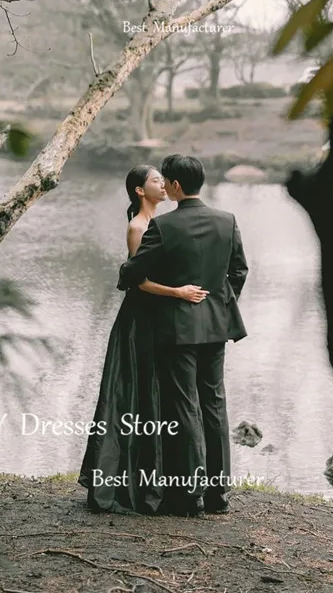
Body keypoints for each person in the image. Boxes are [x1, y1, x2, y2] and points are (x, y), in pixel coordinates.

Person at [118, 154, 248, 516]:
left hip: (177, 328)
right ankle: (219, 495)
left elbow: (134, 272)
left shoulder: (164, 227)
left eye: (167, 181)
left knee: (185, 406)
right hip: (217, 326)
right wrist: (219, 304)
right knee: (214, 405)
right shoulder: (227, 221)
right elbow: (239, 270)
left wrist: (125, 271)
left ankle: (189, 495)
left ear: (175, 186)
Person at [78, 164, 206, 514]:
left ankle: (159, 483)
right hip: (139, 320)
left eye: (162, 181)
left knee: (156, 397)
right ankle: (125, 486)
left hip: (158, 319)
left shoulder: (162, 225)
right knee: (132, 395)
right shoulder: (138, 227)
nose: (163, 185)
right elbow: (140, 282)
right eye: (155, 181)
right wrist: (178, 292)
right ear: (139, 190)